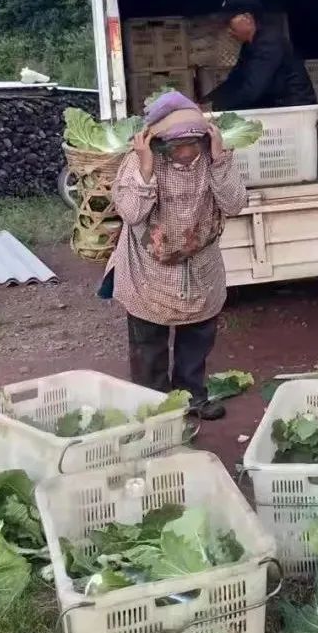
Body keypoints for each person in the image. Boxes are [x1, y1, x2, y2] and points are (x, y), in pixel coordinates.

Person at [102, 91, 247, 420]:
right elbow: (131, 213)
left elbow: (235, 204)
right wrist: (145, 169)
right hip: (148, 270)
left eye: (192, 144)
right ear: (157, 143)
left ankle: (192, 397)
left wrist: (220, 160)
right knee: (148, 343)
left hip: (200, 266)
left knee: (197, 337)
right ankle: (154, 407)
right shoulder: (138, 161)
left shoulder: (213, 158)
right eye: (175, 146)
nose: (185, 153)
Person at [205, 0, 317, 112]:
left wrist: (218, 106)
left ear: (247, 18)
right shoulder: (249, 46)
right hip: (277, 109)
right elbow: (235, 81)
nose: (228, 30)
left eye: (229, 22)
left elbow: (252, 90)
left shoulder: (269, 43)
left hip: (296, 111)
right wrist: (206, 101)